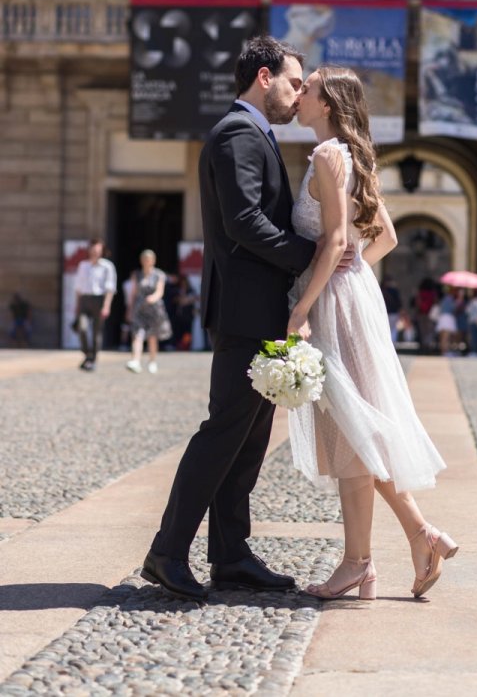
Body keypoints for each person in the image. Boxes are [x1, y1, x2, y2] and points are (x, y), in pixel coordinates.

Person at [141, 36, 318, 602]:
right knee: (223, 433)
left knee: (247, 438)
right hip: (244, 309)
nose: (298, 95)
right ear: (263, 78)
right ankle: (168, 552)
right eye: (294, 82)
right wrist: (307, 255)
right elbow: (244, 221)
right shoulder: (239, 133)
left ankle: (231, 555)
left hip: (255, 307)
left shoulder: (254, 134)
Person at [287, 66, 456, 601]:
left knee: (349, 431)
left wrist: (302, 308)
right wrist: (353, 263)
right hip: (355, 296)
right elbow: (384, 237)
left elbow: (337, 239)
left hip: (335, 305)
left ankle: (361, 560)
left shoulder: (326, 155)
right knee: (353, 429)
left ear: (329, 102)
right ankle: (414, 538)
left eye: (308, 88)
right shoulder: (351, 156)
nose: (299, 94)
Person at [126, 250, 173, 374]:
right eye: (144, 259)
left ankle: (152, 361)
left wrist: (153, 297)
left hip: (154, 309)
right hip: (139, 309)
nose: (146, 262)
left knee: (152, 337)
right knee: (137, 335)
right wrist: (129, 308)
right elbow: (133, 293)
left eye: (149, 259)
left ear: (153, 260)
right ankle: (135, 360)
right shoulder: (136, 274)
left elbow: (160, 290)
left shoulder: (159, 274)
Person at [73, 239, 116, 371]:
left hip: (99, 300)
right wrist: (77, 305)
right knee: (83, 328)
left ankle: (93, 359)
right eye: (93, 250)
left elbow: (110, 288)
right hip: (85, 300)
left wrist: (107, 306)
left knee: (97, 332)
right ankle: (87, 354)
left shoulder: (107, 266)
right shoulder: (83, 265)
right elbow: (78, 288)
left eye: (97, 250)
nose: (95, 253)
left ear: (102, 251)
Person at [380, 274, 401, 342]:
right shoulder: (394, 291)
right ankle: (393, 343)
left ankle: (387, 342)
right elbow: (398, 302)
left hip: (384, 312)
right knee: (393, 328)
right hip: (393, 312)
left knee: (385, 328)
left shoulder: (381, 291)